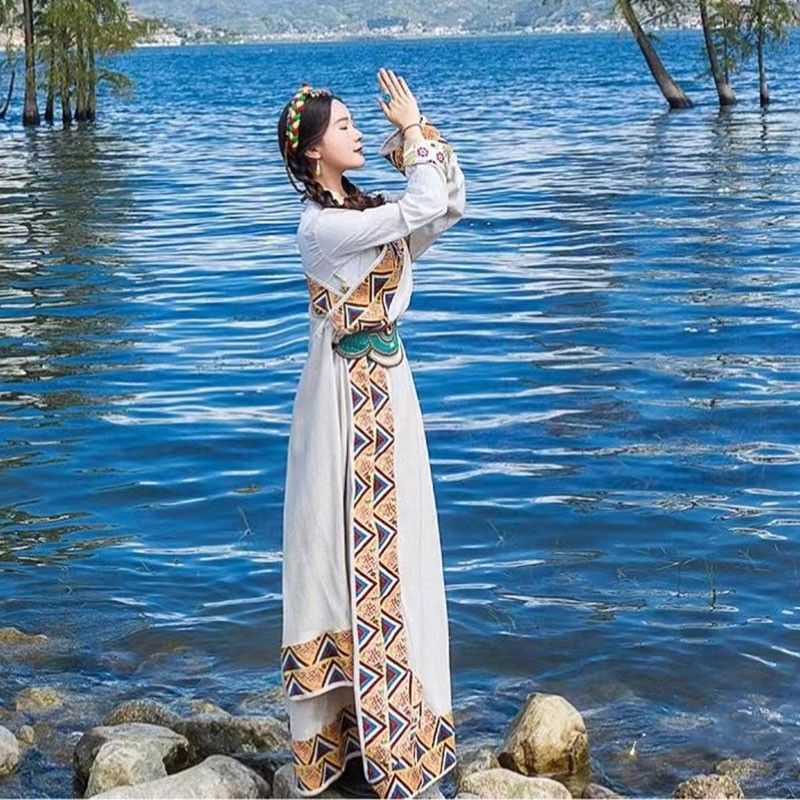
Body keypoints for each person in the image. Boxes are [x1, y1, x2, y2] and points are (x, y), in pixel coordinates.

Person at [276, 67, 466, 799]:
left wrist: (418, 139)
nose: (358, 133)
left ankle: (390, 738)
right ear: (314, 151)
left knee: (397, 549)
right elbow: (422, 200)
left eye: (359, 124)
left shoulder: (363, 214)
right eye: (346, 127)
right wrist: (411, 132)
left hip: (386, 390)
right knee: (346, 552)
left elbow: (445, 205)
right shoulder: (322, 228)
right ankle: (358, 743)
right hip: (342, 402)